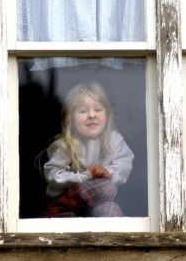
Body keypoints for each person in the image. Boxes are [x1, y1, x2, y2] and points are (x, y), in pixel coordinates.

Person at [41, 81, 134, 218]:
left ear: (107, 114)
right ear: (71, 119)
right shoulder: (66, 144)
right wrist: (86, 176)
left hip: (97, 204)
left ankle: (103, 238)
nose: (92, 115)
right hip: (68, 206)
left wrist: (107, 172)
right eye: (83, 111)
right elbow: (53, 174)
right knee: (105, 187)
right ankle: (59, 210)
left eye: (98, 109)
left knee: (111, 207)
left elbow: (125, 163)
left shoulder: (114, 140)